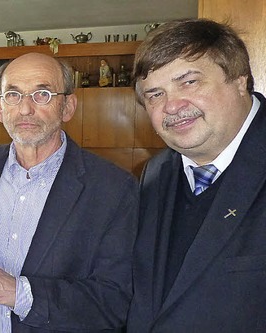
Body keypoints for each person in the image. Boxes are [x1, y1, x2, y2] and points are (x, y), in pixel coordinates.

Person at [0, 53, 138, 332]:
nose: (25, 109)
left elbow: (114, 300)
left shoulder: (114, 189)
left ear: (67, 106)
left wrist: (20, 293)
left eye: (41, 94)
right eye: (13, 95)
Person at [127, 18, 266, 331]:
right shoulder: (155, 173)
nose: (172, 106)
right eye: (154, 95)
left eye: (188, 82)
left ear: (240, 79)